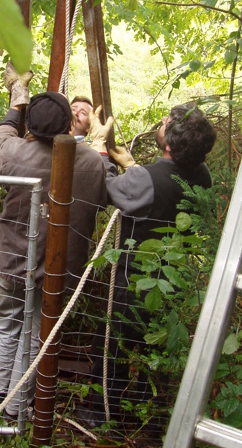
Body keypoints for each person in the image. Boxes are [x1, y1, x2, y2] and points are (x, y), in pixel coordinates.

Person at [78, 103, 216, 430]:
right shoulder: (203, 175)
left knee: (111, 347)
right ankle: (145, 414)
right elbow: (162, 187)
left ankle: (101, 415)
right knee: (152, 347)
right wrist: (135, 167)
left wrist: (99, 151)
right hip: (171, 279)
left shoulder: (145, 179)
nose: (162, 122)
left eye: (165, 123)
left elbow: (106, 192)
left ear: (168, 144)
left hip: (132, 281)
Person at [0, 79, 107, 418]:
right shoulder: (88, 162)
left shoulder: (13, 153)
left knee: (8, 328)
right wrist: (100, 147)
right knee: (35, 336)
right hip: (55, 272)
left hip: (9, 262)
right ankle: (15, 408)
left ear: (32, 127)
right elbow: (104, 191)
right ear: (69, 125)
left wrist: (17, 97)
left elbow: (4, 132)